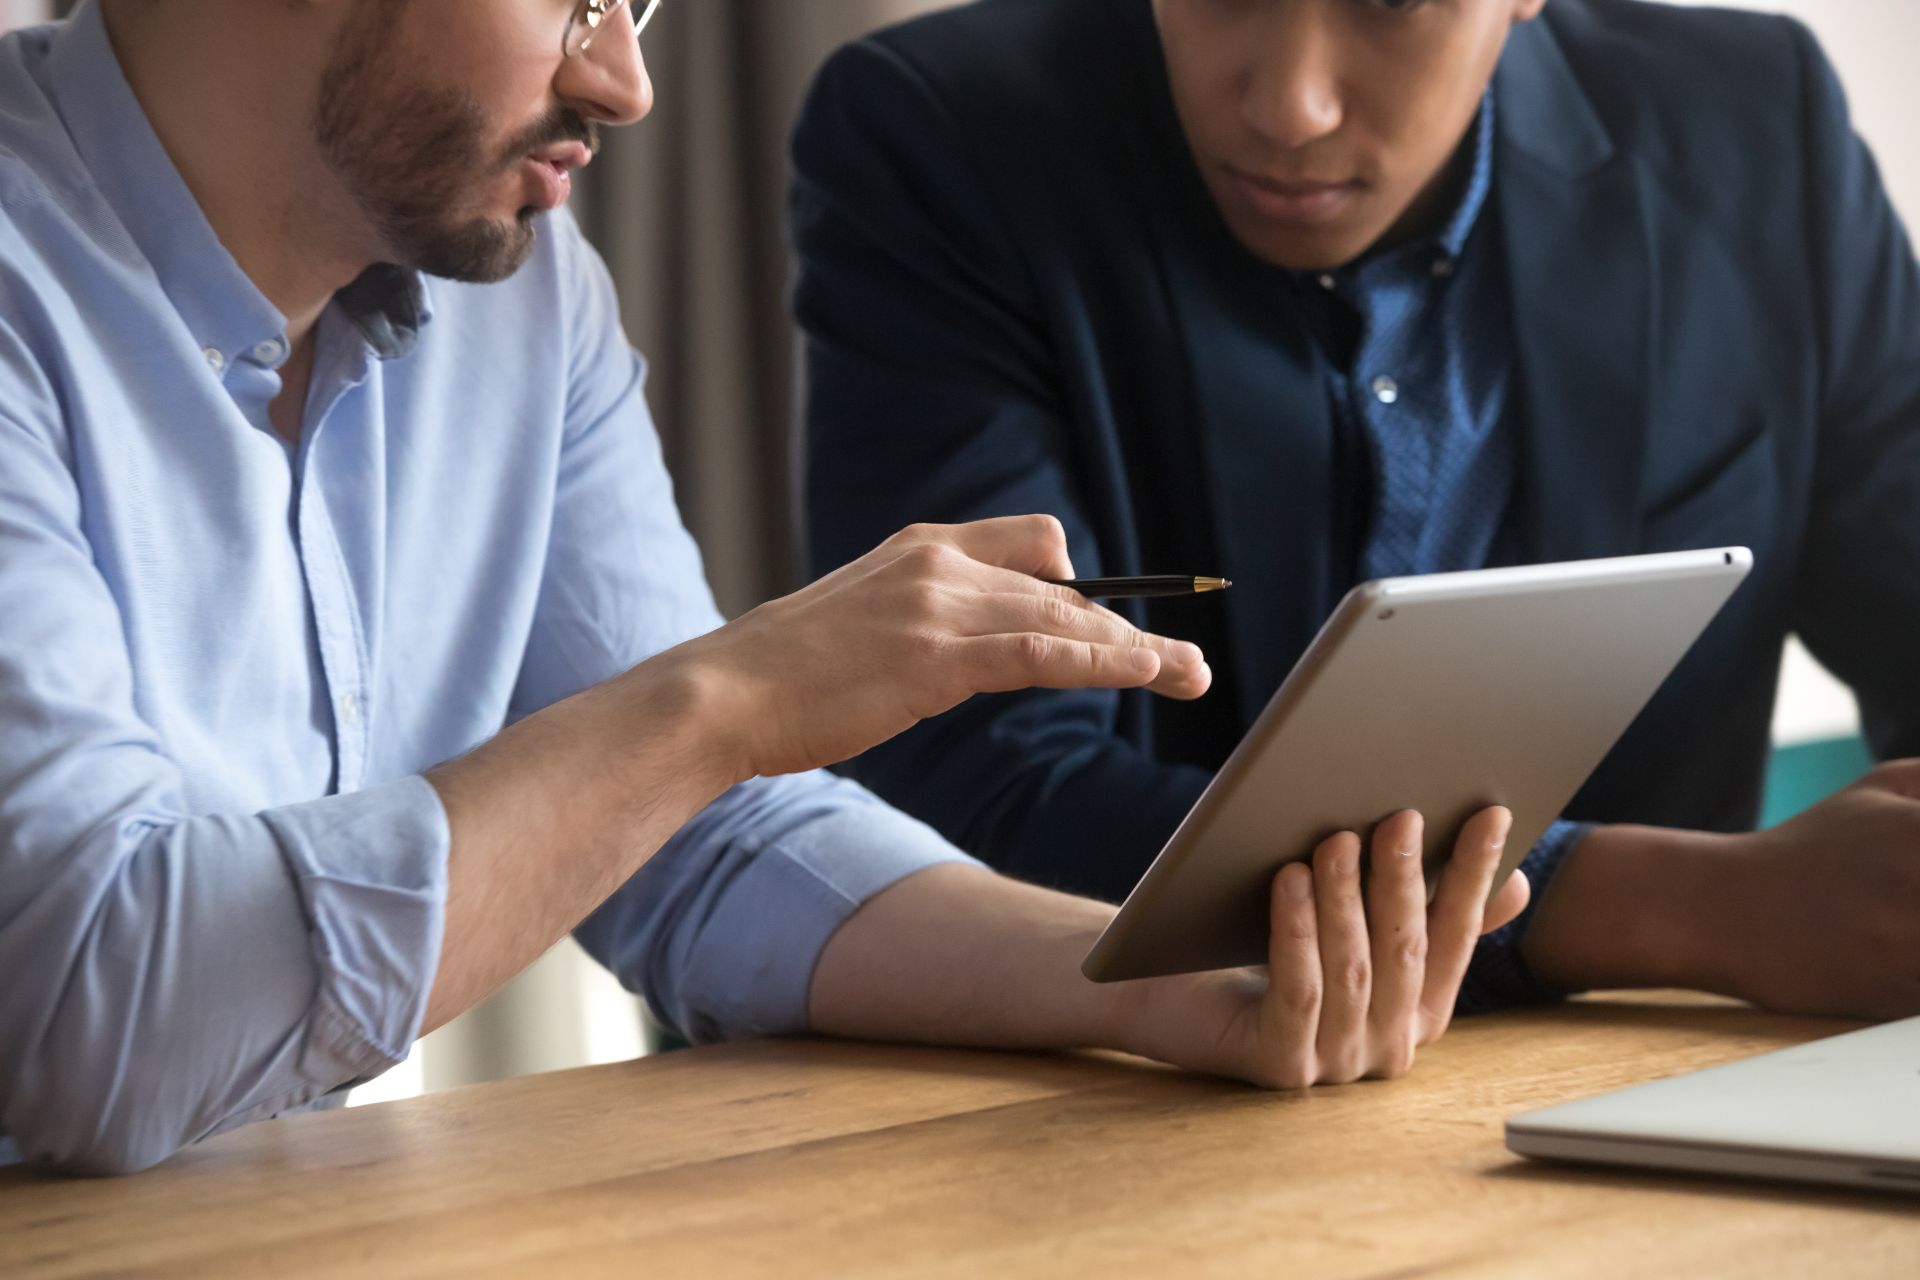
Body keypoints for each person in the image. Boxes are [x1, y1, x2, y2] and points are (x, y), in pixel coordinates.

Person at [0, 0, 1535, 1176]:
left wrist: (1133, 988)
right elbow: (93, 1018)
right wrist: (726, 701)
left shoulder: (522, 299)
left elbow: (698, 839)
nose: (624, 83)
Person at [797, 0, 1920, 1019]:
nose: (1291, 106)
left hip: (1664, 1086)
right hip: (1120, 1103)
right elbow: (969, 777)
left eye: (1388, 4)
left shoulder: (1757, 123)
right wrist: (1688, 907)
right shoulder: (945, 136)